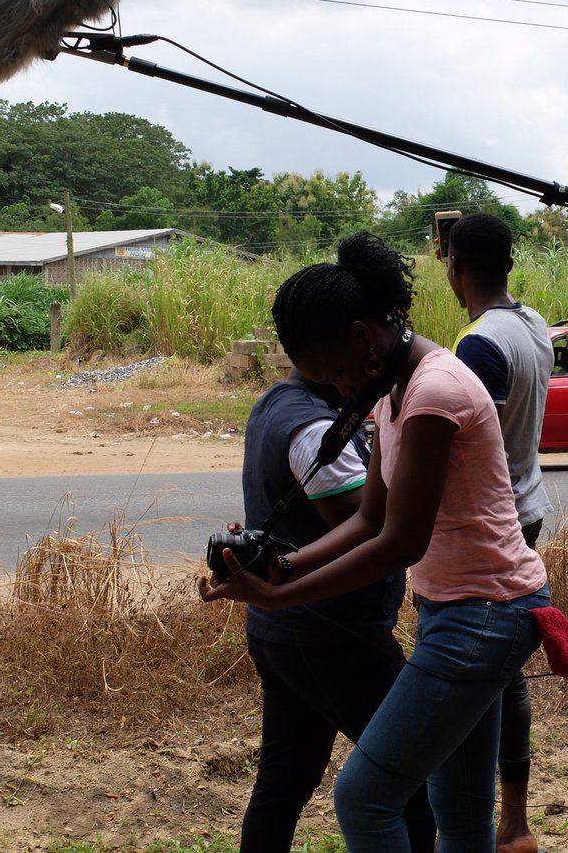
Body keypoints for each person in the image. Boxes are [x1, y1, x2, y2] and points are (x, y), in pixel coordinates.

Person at [199, 231, 550, 853]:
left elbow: (399, 543)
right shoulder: (395, 391)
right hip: (463, 611)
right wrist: (279, 567)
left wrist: (280, 599)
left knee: (364, 798)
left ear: (363, 338)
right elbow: (367, 519)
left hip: (486, 616)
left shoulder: (434, 392)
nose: (335, 391)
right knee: (462, 813)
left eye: (333, 374)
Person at [233, 336, 435, 851]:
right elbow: (372, 530)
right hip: (334, 637)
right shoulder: (316, 429)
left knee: (284, 784)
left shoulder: (274, 403)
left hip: (281, 633)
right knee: (412, 781)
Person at [445, 212, 554, 853]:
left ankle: (500, 823)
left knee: (487, 672)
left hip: (494, 517)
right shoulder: (532, 324)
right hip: (528, 501)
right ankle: (510, 821)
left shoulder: (479, 346)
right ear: (508, 264)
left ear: (455, 267)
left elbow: (462, 446)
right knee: (500, 668)